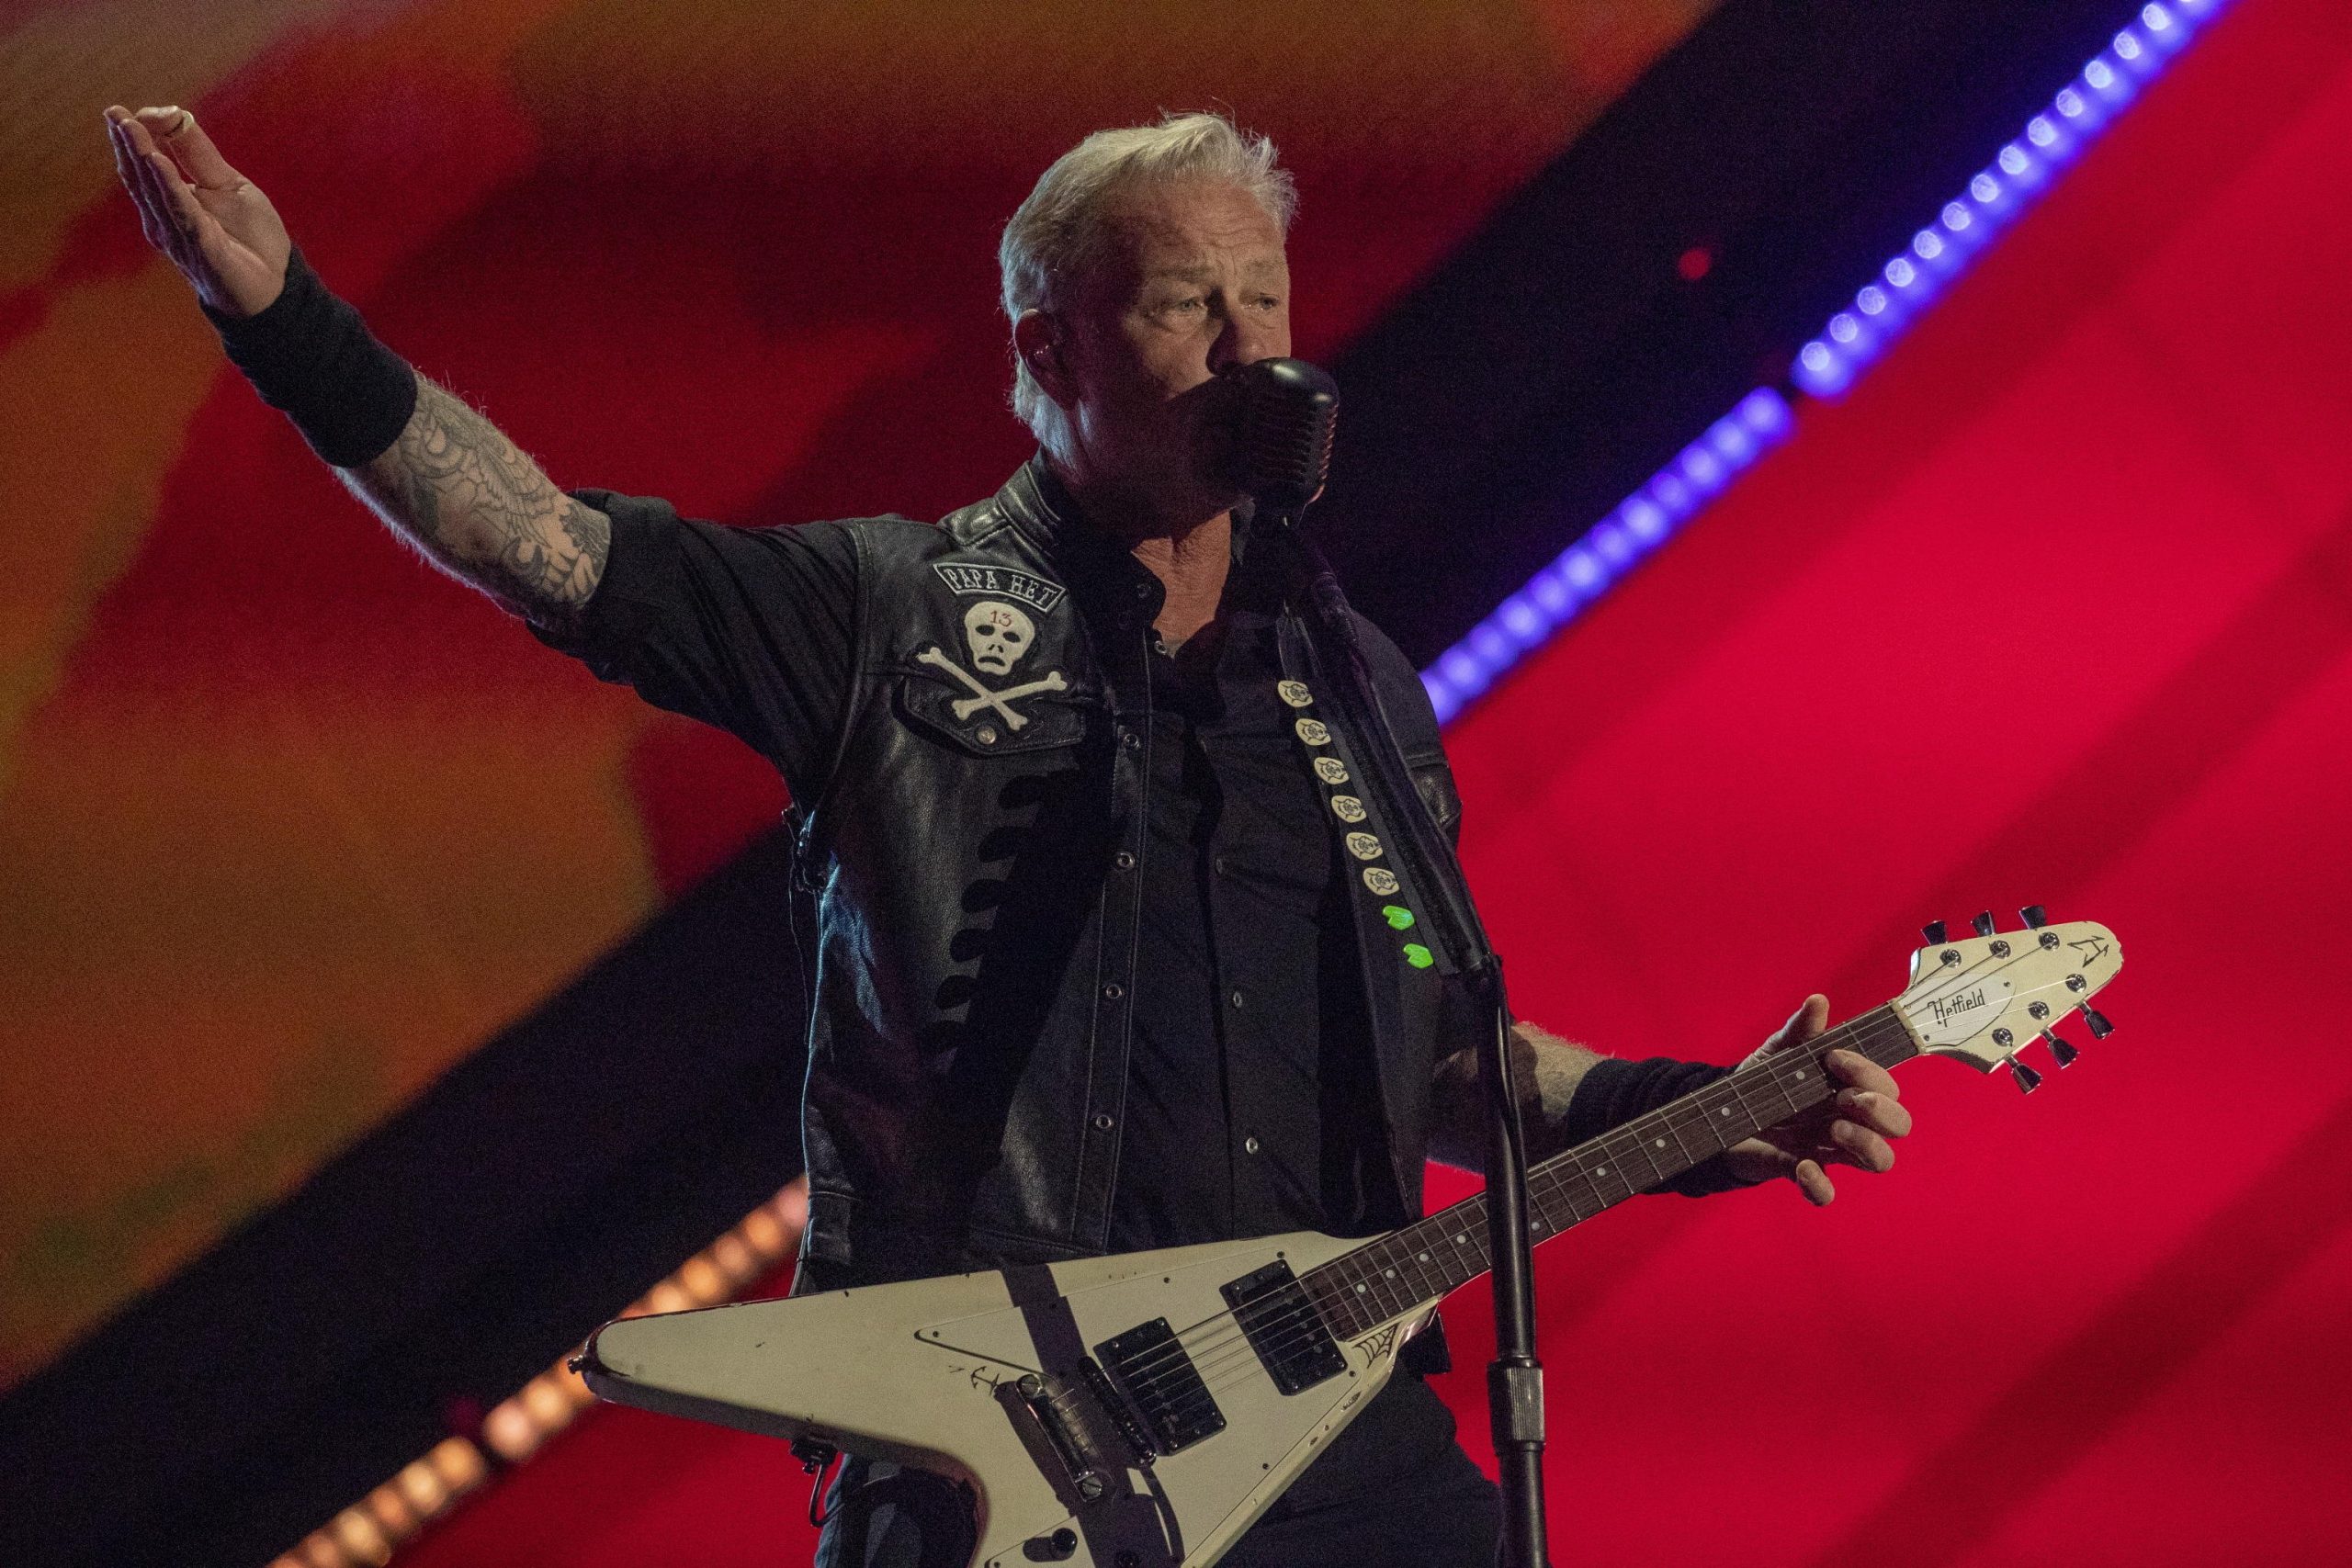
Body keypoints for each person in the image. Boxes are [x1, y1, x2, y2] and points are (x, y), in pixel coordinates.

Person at [104, 102, 1915, 1568]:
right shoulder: (889, 614)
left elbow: (1438, 1062)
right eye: (1186, 305)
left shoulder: (1348, 677)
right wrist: (289, 325)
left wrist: (1698, 1113)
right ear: (1050, 347)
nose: (1248, 348)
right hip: (999, 1443)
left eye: (1266, 300)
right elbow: (547, 550)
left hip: (1334, 1442)